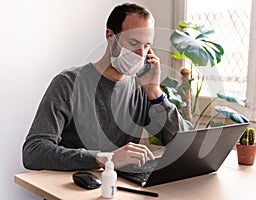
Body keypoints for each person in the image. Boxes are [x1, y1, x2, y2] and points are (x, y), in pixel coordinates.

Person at [22, 3, 188, 171]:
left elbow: (182, 146)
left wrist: (154, 92)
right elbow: (33, 152)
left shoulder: (142, 89)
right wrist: (106, 159)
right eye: (133, 43)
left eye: (146, 46)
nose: (141, 54)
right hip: (72, 187)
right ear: (110, 36)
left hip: (119, 189)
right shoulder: (68, 83)